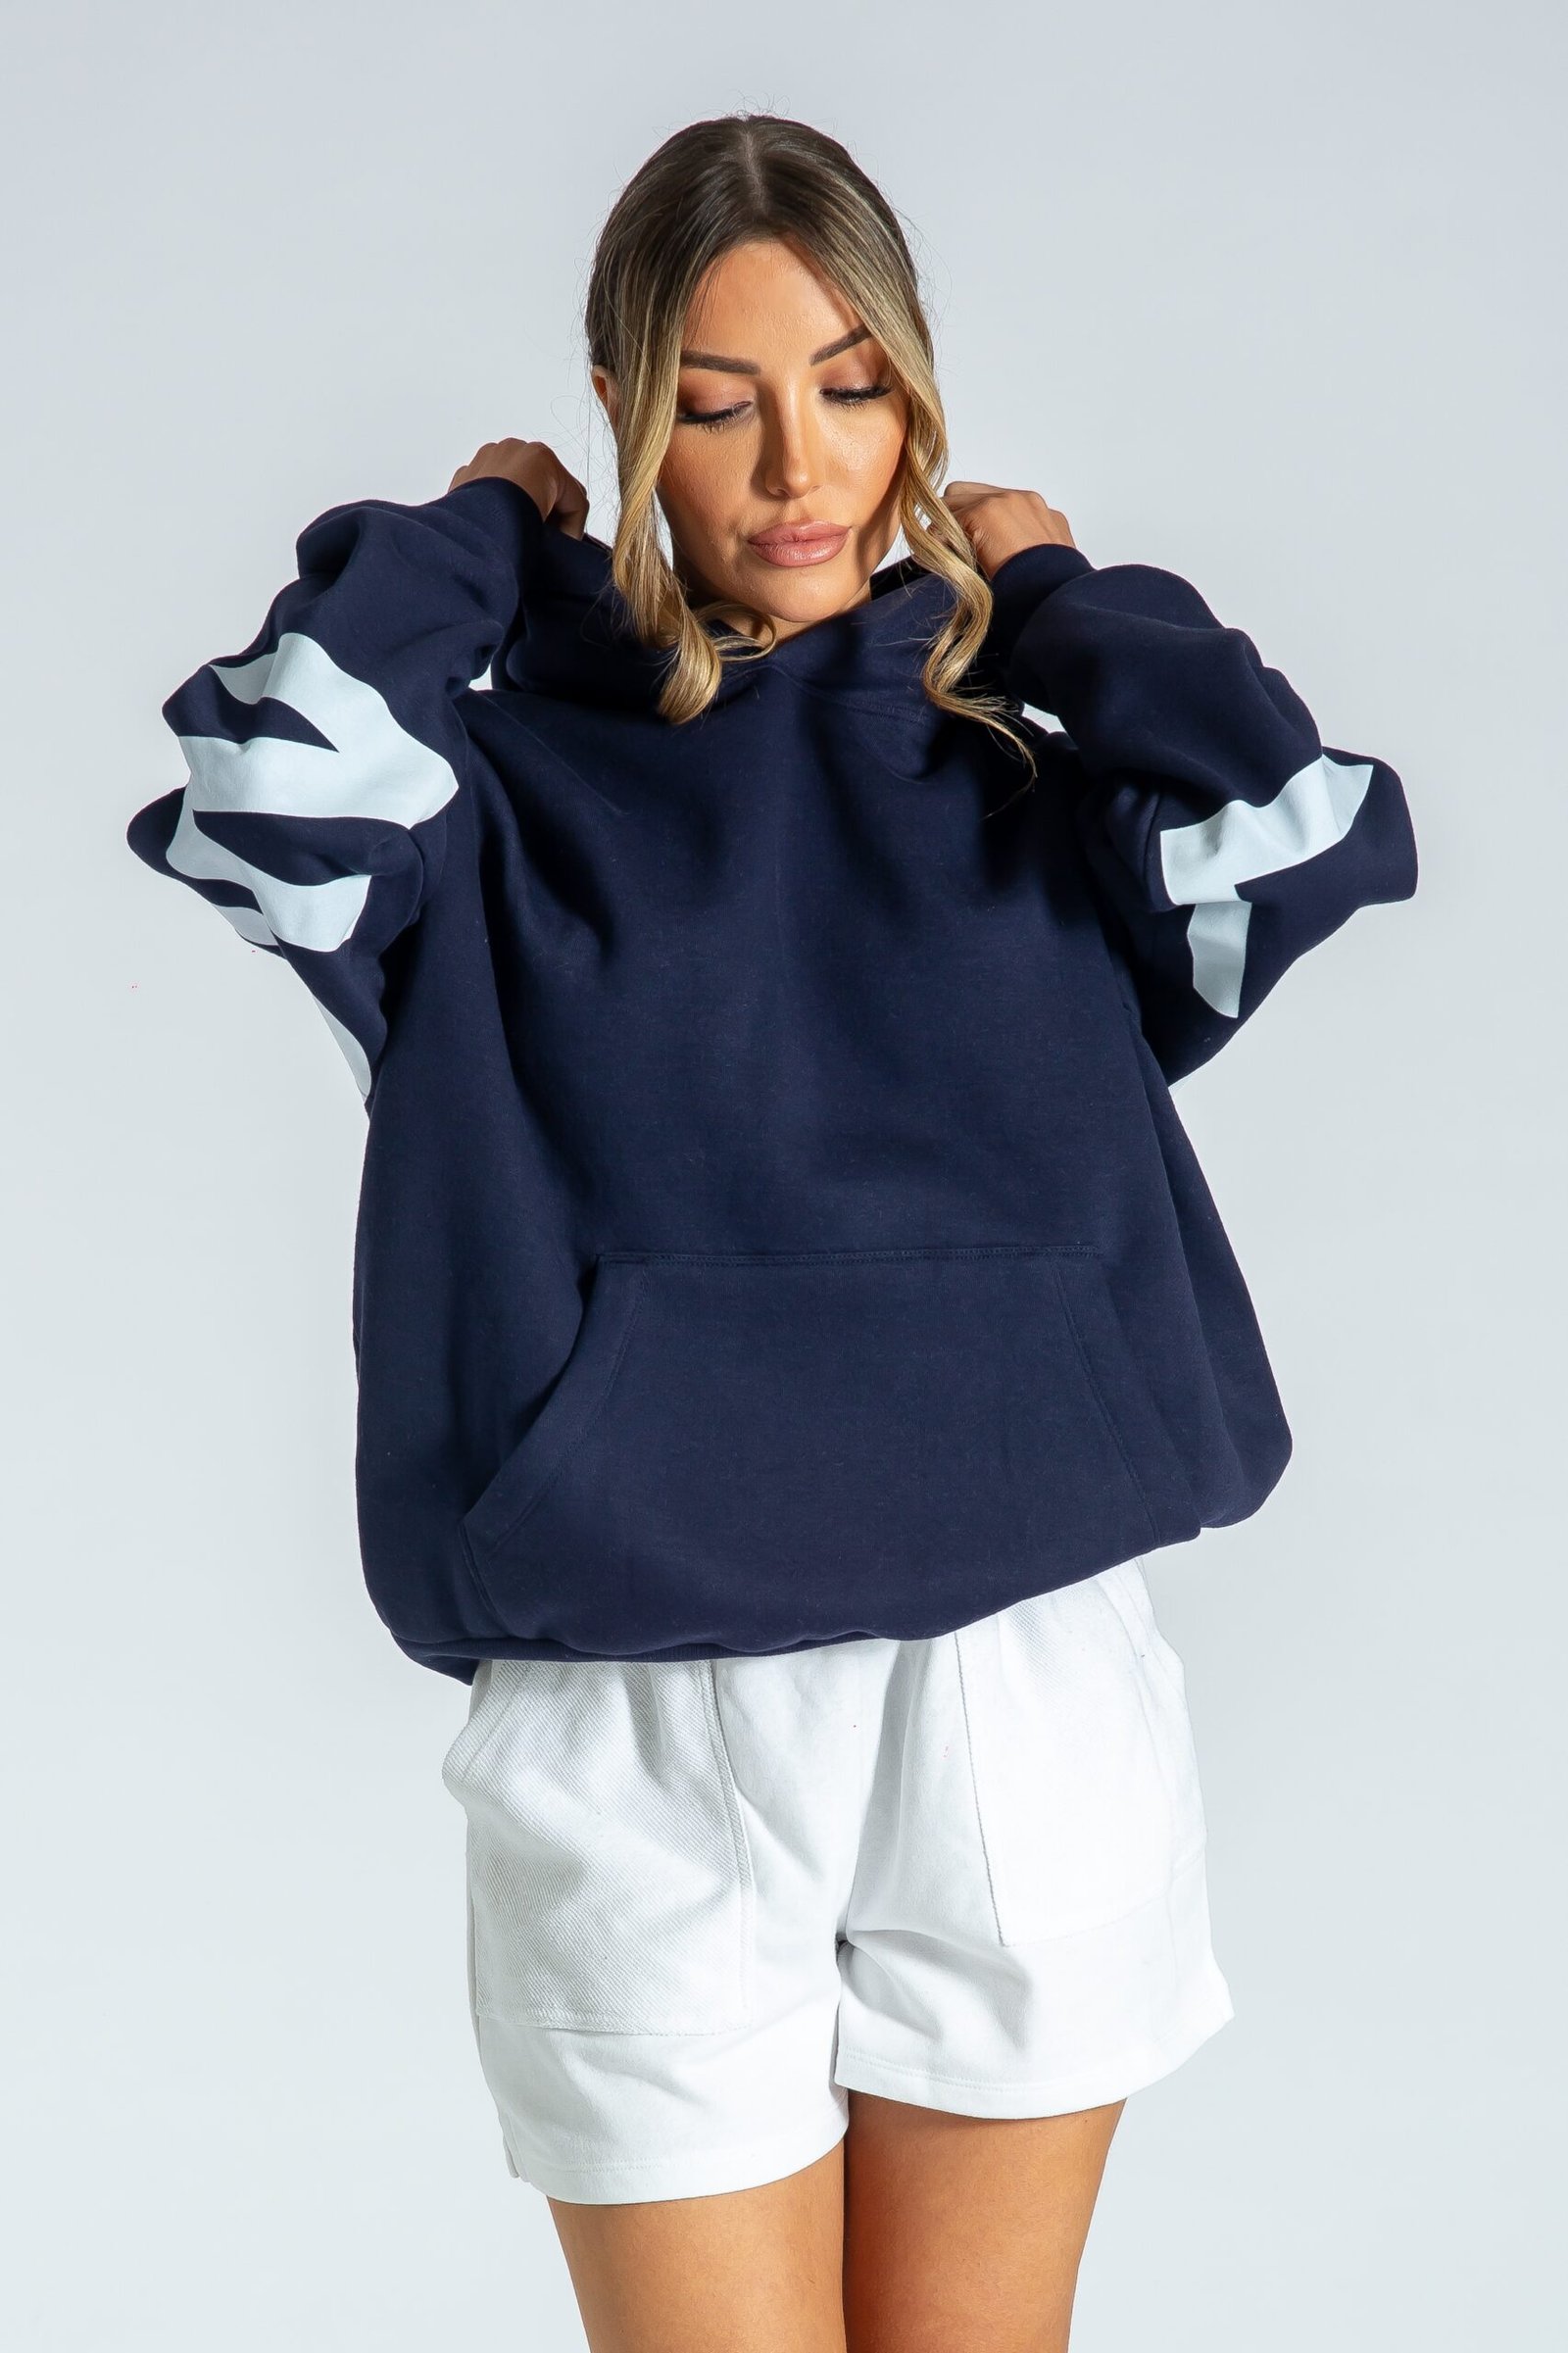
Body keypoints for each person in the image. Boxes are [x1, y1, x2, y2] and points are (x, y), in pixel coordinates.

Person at [125, 110, 1418, 2353]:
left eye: (849, 385)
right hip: (638, 1717)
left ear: (916, 391)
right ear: (623, 414)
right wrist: (471, 538)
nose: (796, 467)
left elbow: (1291, 835)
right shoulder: (489, 801)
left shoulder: (1020, 776)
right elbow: (268, 800)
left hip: (1012, 1691)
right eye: (713, 406)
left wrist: (1064, 596)